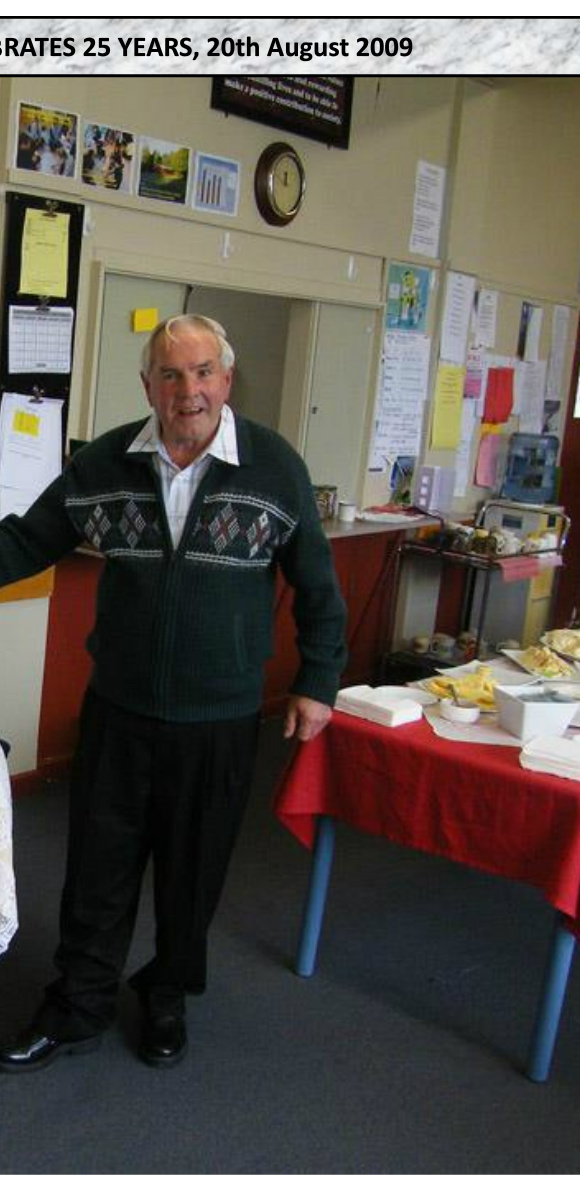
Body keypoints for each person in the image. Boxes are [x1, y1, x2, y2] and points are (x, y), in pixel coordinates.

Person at [0, 314, 348, 1072]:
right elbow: (27, 540)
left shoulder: (273, 466)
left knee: (193, 873)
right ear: (148, 385)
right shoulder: (105, 462)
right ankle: (78, 1006)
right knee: (98, 869)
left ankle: (167, 992)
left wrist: (318, 679)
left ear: (227, 379)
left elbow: (318, 584)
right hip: (119, 711)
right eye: (170, 374)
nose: (188, 390)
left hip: (219, 719)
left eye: (202, 372)